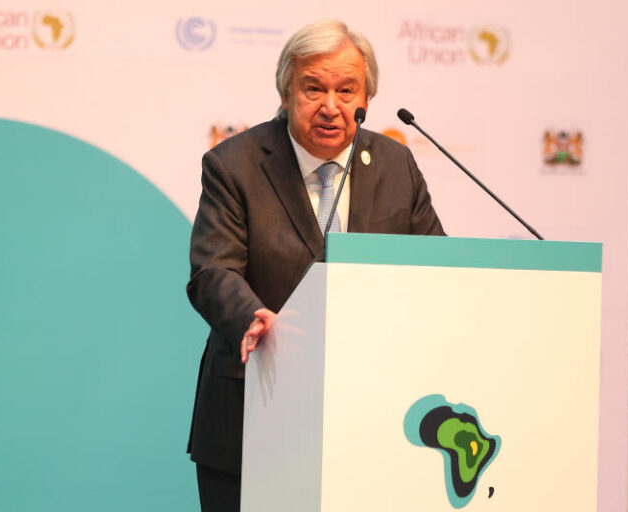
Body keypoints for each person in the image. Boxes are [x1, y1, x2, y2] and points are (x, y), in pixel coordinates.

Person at [186, 19, 445, 512]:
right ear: (286, 93)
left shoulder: (396, 166)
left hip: (371, 422)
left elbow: (435, 270)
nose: (331, 106)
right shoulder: (235, 164)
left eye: (346, 90)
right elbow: (213, 270)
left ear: (366, 97)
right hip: (253, 412)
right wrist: (252, 316)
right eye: (313, 88)